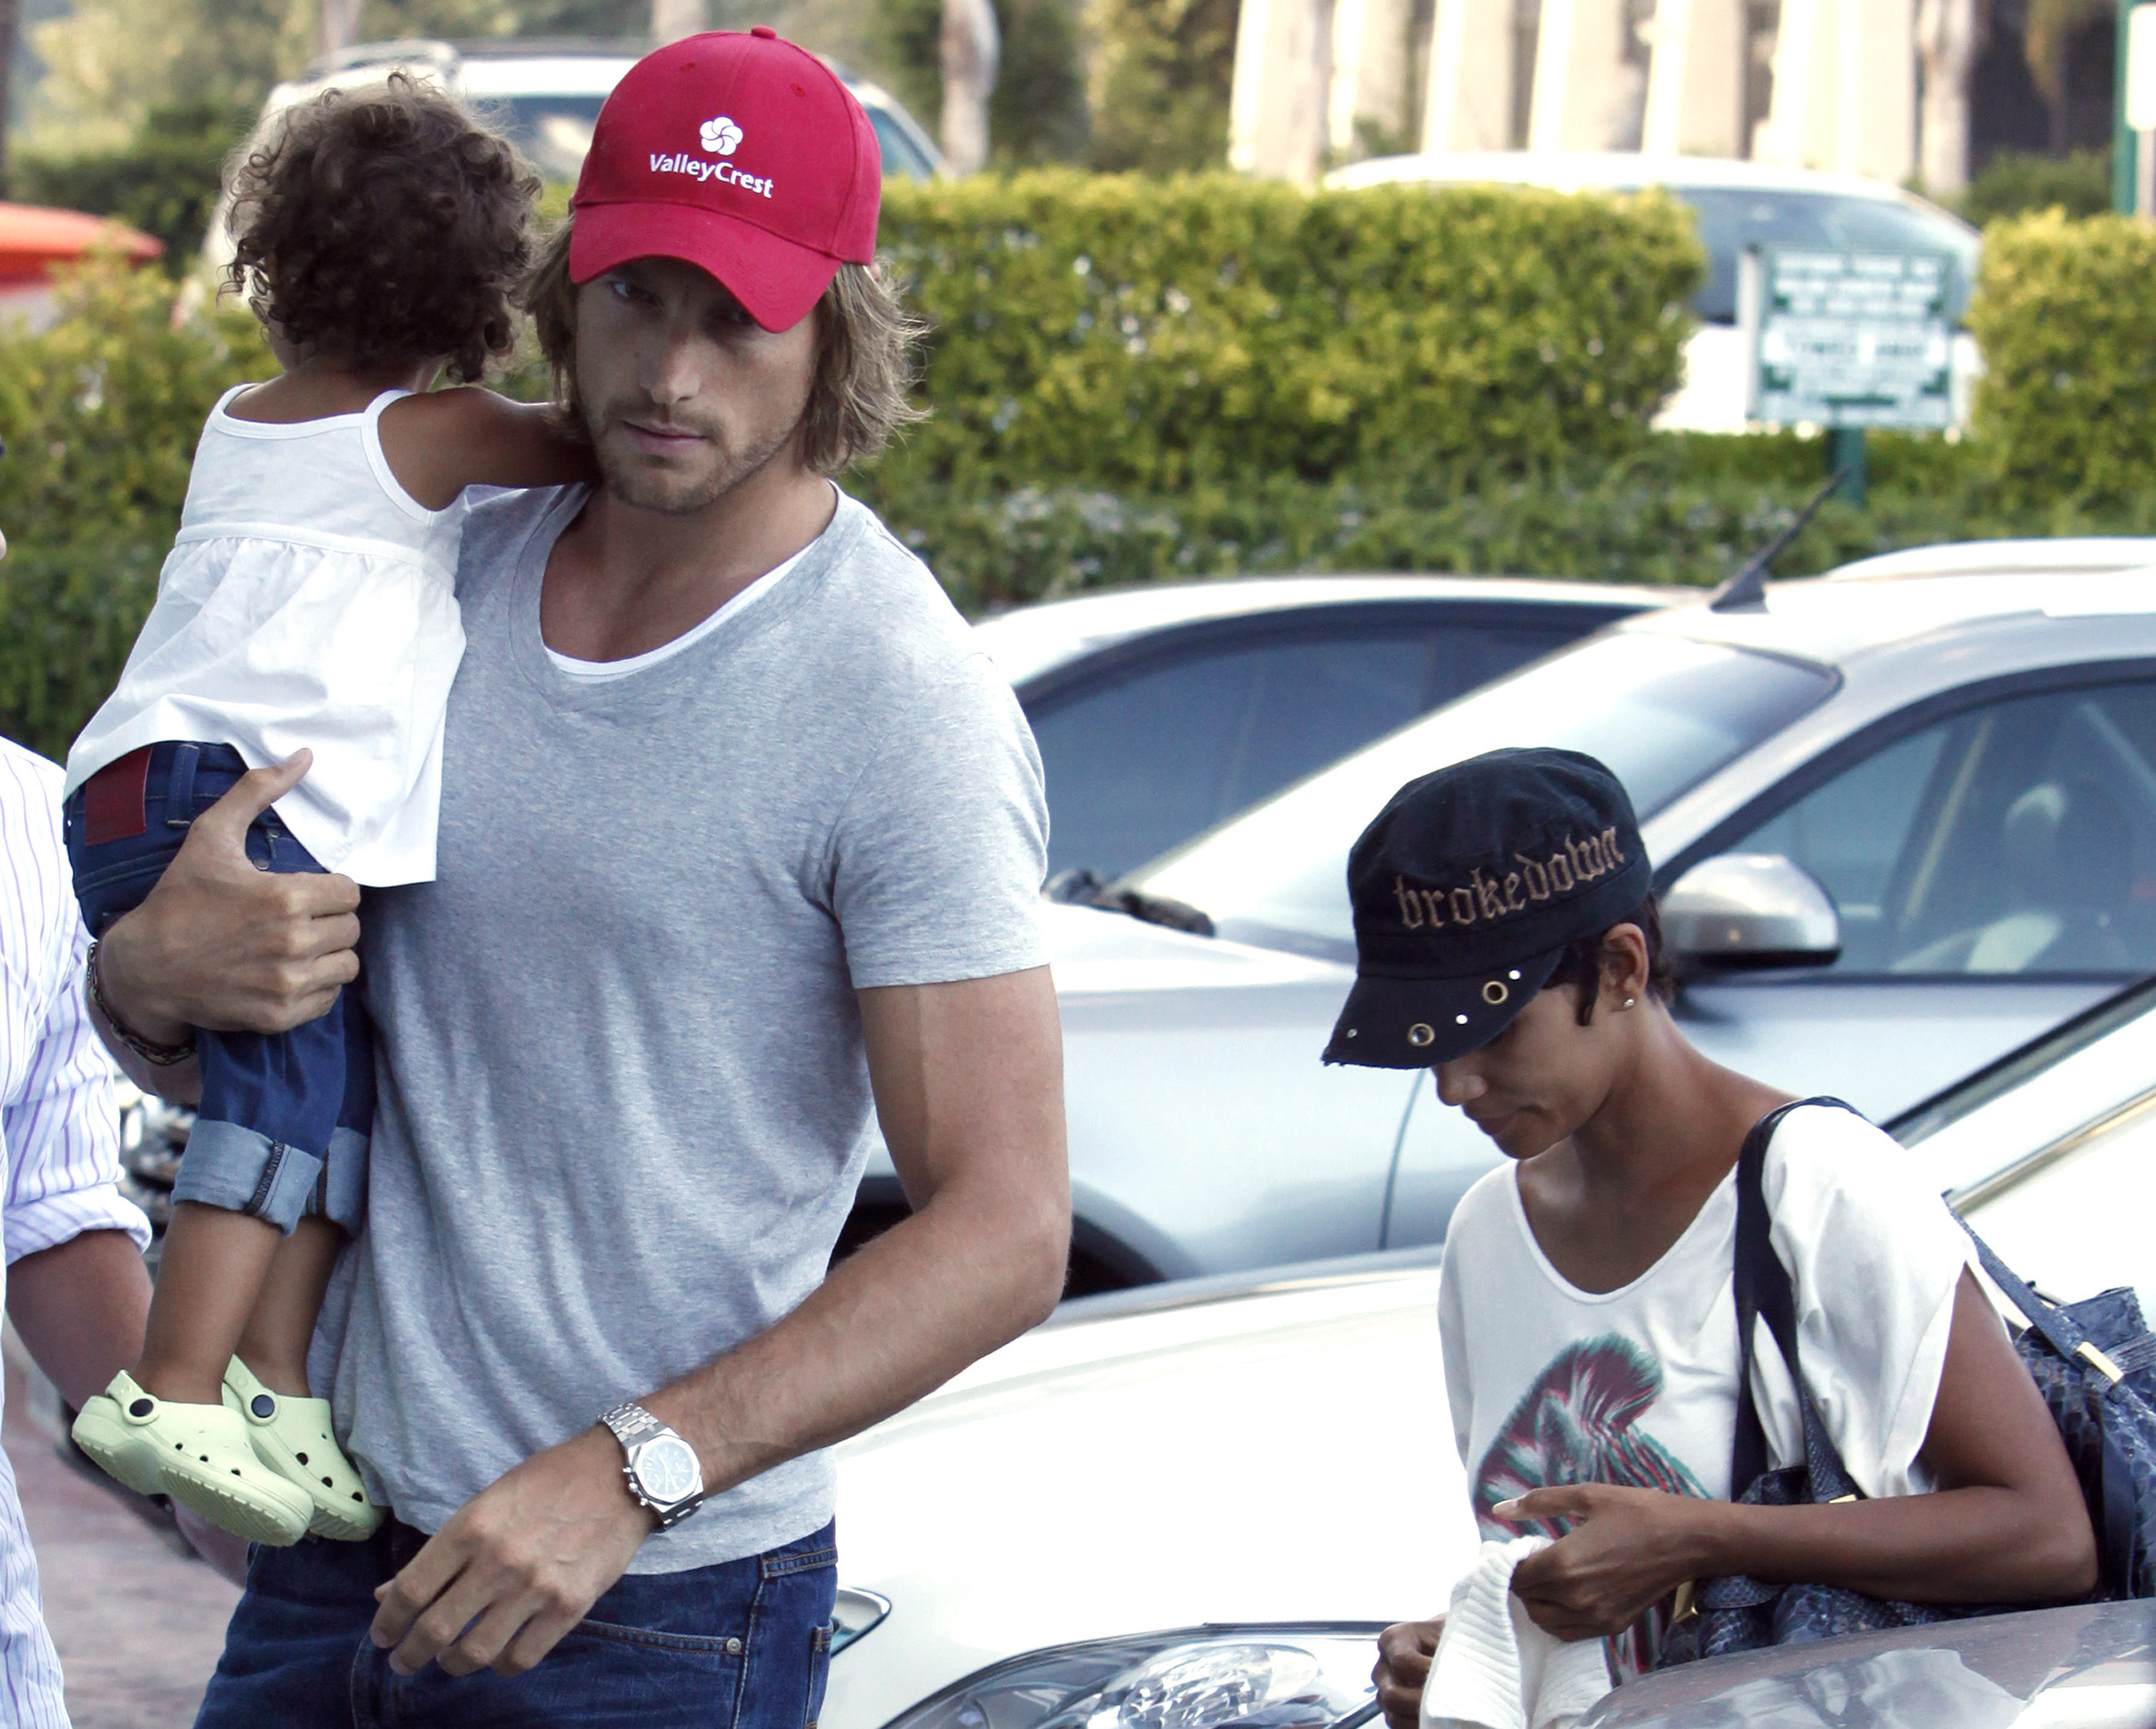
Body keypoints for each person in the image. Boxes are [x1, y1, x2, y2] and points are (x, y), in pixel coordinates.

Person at [89, 26, 1070, 1727]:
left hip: (643, 1603)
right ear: (560, 294)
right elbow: (249, 1012)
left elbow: (1001, 1228)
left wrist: (630, 1475)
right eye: (635, 297)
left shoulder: (895, 695)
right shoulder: (434, 551)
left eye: (735, 316)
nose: (671, 370)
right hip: (339, 1550)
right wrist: (148, 983)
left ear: (830, 323)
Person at [59, 76, 590, 1549]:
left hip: (132, 786)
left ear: (278, 263)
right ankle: (169, 1382)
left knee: (331, 1086)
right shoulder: (433, 435)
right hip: (236, 800)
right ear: (464, 298)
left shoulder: (240, 420)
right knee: (284, 1095)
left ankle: (274, 1386)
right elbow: (595, 442)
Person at [1333, 749, 2097, 1724]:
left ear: (1619, 967)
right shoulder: (1487, 1232)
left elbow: (2046, 1533)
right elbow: (1573, 1583)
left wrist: (1704, 1537)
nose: (1453, 1084)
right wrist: (1471, 1647)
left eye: (1490, 1031)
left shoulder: (1816, 1184)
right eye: (1428, 1043)